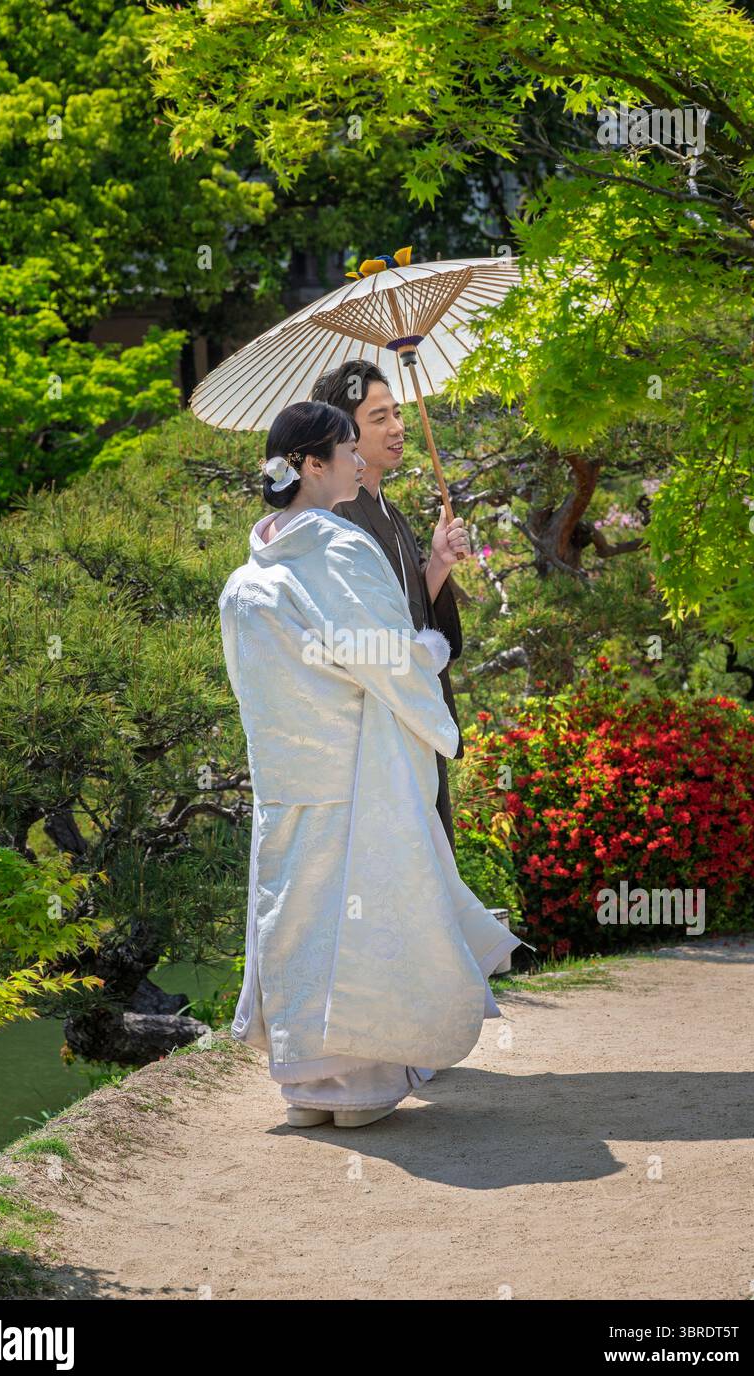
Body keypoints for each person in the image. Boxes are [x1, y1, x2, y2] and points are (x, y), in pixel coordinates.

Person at [218, 400, 533, 1130]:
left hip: (287, 778)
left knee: (296, 912)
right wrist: (428, 665)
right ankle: (357, 1087)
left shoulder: (250, 570)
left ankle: (304, 1086)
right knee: (363, 913)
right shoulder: (337, 548)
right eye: (347, 447)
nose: (363, 459)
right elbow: (384, 659)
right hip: (356, 770)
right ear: (311, 465)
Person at [312, 359, 469, 853]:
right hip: (376, 720)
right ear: (344, 433)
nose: (398, 428)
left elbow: (412, 615)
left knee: (430, 847)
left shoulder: (391, 514)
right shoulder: (335, 518)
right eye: (379, 418)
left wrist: (438, 564)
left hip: (412, 708)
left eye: (397, 414)